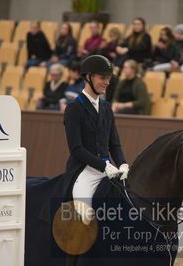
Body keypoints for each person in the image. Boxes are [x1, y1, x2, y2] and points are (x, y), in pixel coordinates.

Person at [64, 55, 129, 225]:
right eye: (103, 78)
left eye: (108, 78)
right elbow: (76, 149)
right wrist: (103, 165)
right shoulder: (74, 108)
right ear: (88, 77)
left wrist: (122, 163)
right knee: (85, 217)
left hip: (108, 169)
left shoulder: (107, 108)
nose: (107, 82)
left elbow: (114, 143)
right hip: (84, 170)